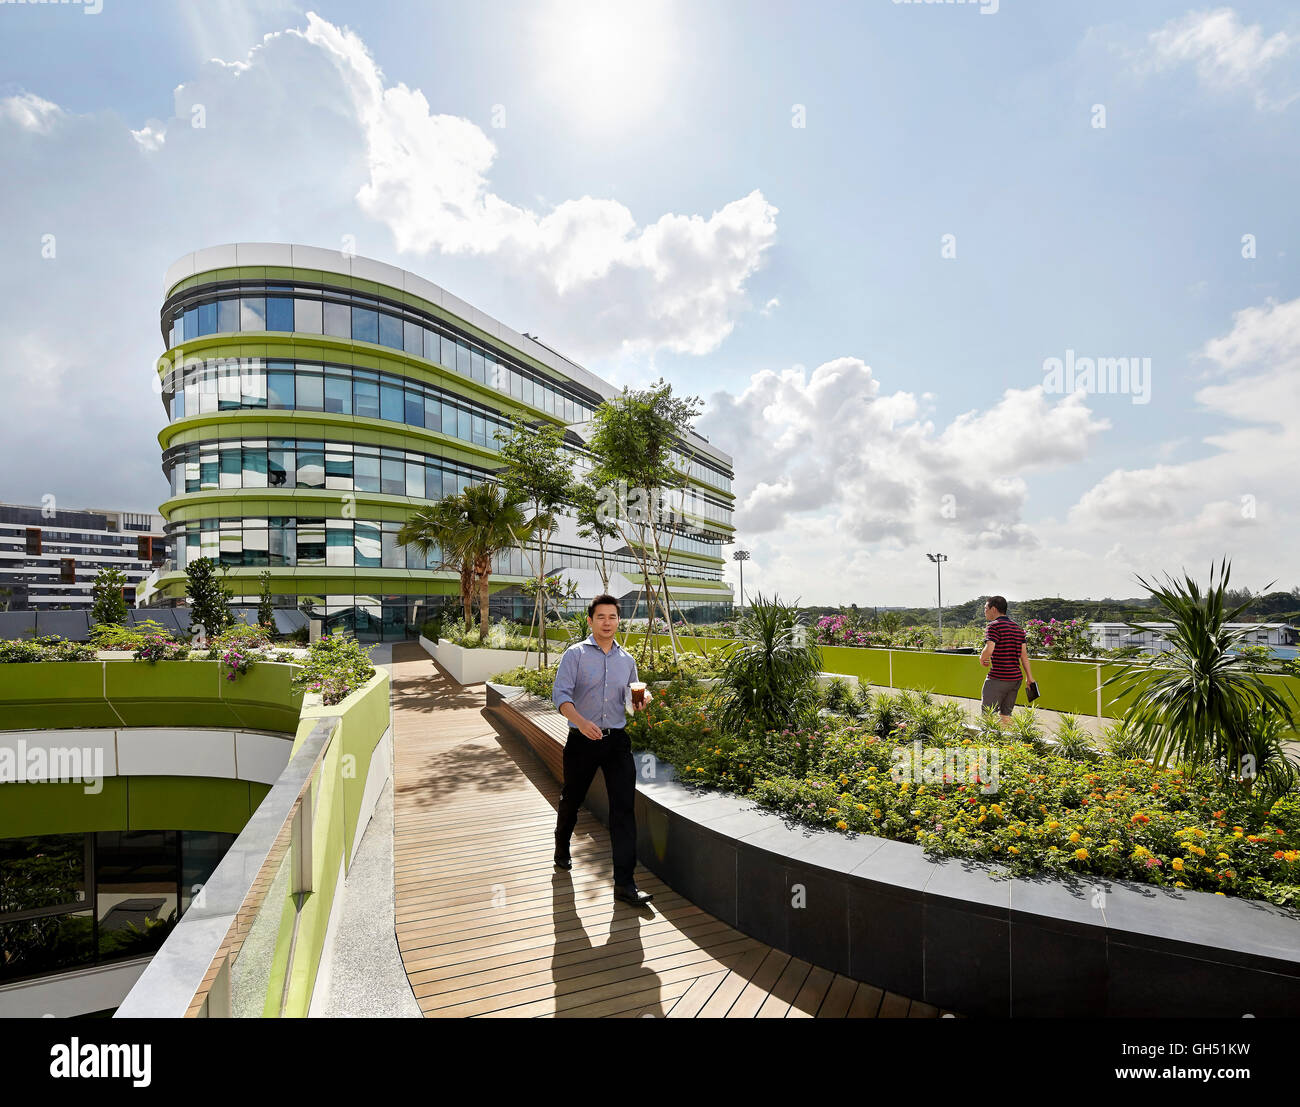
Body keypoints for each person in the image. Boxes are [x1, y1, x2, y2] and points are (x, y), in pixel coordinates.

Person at [552, 594, 654, 906]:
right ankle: (561, 844)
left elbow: (630, 700)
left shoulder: (627, 660)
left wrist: (641, 700)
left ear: (618, 620)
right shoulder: (576, 654)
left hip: (617, 741)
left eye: (612, 617)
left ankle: (625, 883)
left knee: (623, 809)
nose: (607, 622)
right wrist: (581, 723)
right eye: (601, 617)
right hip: (582, 740)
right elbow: (560, 696)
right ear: (590, 620)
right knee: (573, 798)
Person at [978, 595, 1033, 724]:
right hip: (1015, 679)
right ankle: (1008, 743)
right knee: (1006, 716)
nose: (984, 611)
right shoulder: (1018, 628)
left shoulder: (994, 626)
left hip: (998, 678)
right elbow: (1023, 655)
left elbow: (989, 648)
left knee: (988, 716)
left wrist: (982, 658)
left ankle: (988, 743)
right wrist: (1029, 677)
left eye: (986, 608)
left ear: (994, 609)